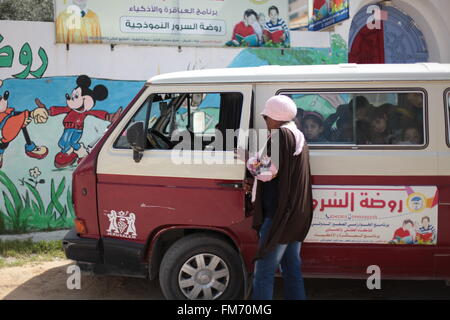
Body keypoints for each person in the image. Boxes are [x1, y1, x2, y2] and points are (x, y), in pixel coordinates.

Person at [245, 95, 313, 300]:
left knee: (263, 272)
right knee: (292, 270)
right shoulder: (297, 134)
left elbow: (266, 172)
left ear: (275, 117)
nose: (265, 122)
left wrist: (247, 159)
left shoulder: (280, 136)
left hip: (278, 217)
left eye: (266, 118)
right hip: (295, 216)